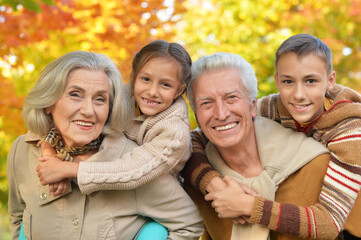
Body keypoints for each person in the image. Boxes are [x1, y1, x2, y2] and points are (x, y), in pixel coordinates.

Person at [7, 50, 203, 240]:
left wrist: (69, 169)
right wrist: (49, 153)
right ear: (48, 103)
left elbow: (189, 224)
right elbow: (18, 218)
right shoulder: (22, 152)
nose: (88, 111)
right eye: (75, 94)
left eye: (100, 99)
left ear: (110, 108)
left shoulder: (136, 164)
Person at [183, 34, 361, 239]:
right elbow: (192, 141)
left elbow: (329, 223)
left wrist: (250, 206)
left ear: (330, 81)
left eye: (310, 81)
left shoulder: (350, 134)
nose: (299, 94)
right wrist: (213, 184)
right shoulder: (277, 106)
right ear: (277, 81)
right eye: (288, 81)